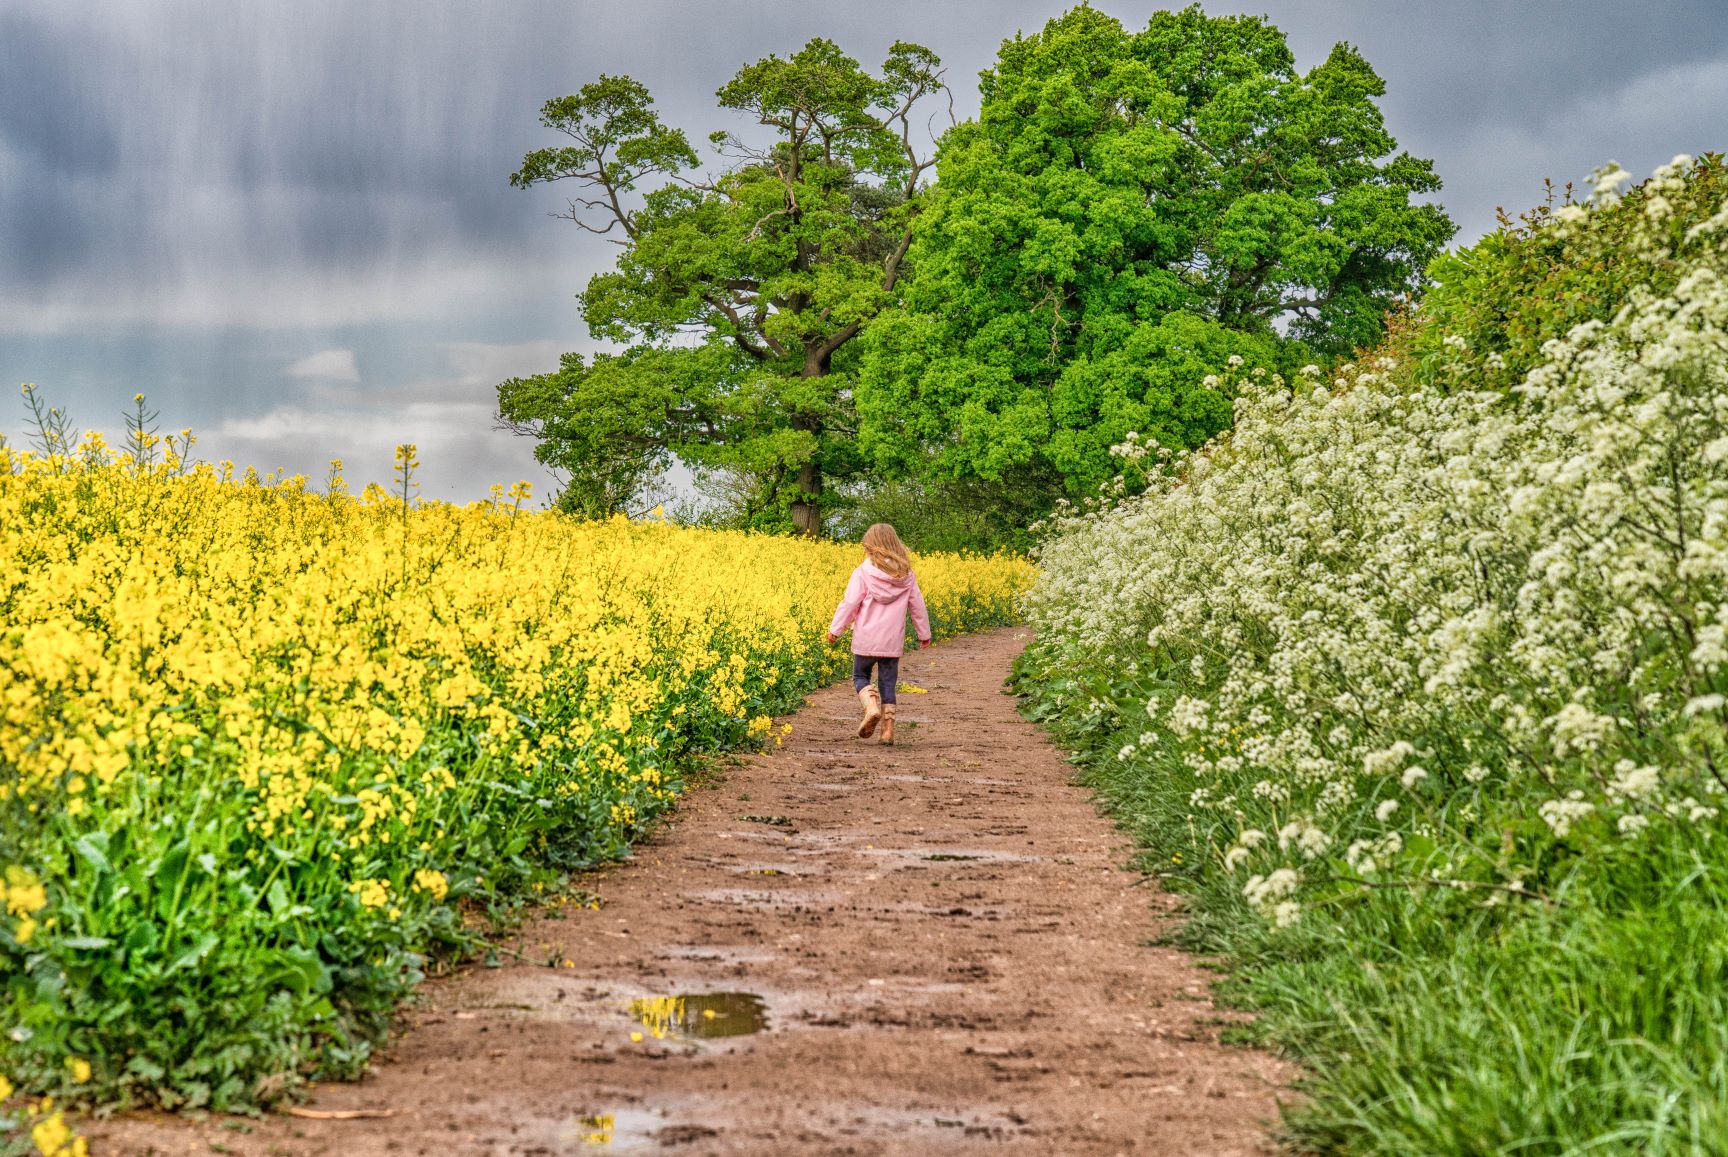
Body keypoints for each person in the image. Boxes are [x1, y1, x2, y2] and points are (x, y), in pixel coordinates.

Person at [826, 523, 932, 745]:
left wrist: (836, 628)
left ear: (871, 546)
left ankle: (871, 708)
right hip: (892, 641)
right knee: (888, 684)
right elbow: (918, 605)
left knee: (860, 676)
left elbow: (850, 603)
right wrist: (924, 633)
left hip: (866, 637)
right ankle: (887, 731)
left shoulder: (863, 572)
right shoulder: (906, 575)